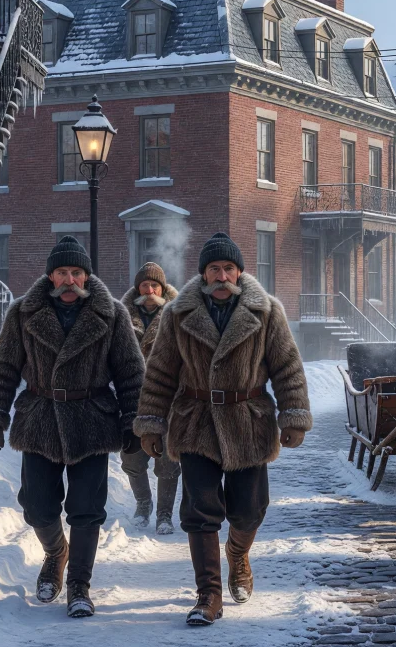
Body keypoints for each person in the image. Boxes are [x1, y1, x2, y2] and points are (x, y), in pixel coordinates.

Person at [135, 233, 312, 627]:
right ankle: (208, 595)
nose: (221, 275)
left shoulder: (266, 311)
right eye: (213, 269)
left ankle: (238, 552)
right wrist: (150, 422)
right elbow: (161, 373)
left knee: (250, 510)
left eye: (228, 268)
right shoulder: (177, 315)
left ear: (239, 272)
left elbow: (287, 367)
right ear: (202, 275)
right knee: (200, 511)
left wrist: (294, 414)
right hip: (195, 421)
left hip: (248, 421)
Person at [0, 236, 145, 618]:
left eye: (76, 273)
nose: (69, 280)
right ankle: (56, 553)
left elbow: (131, 372)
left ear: (86, 277)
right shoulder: (23, 313)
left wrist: (135, 421)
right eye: (62, 273)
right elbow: (3, 367)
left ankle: (79, 586)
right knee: (36, 505)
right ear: (51, 277)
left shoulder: (112, 314)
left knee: (86, 509)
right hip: (40, 418)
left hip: (92, 419)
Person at [119, 262, 181, 534]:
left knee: (168, 461)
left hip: (168, 401)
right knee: (132, 459)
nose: (150, 290)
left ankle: (165, 515)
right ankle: (143, 504)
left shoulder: (178, 316)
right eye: (145, 285)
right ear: (138, 288)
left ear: (163, 289)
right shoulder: (120, 317)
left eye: (155, 285)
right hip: (132, 400)